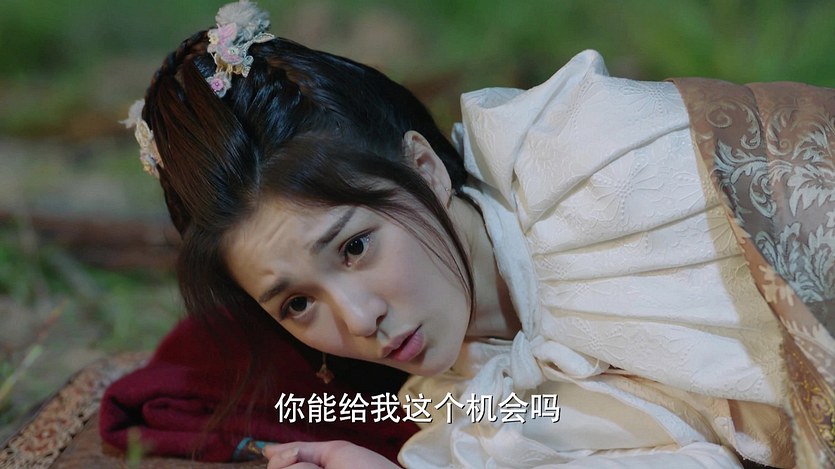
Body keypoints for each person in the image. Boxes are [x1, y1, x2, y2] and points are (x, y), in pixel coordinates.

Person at [125, 1, 835, 468]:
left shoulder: (594, 168)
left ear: (425, 167)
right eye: (297, 303)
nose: (359, 319)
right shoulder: (462, 404)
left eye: (354, 247)